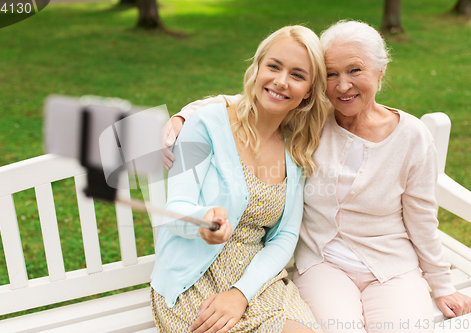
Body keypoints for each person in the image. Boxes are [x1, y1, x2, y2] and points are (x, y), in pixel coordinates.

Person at [162, 20, 471, 333]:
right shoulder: (311, 124)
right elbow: (250, 100)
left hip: (392, 267)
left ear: (380, 72)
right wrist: (185, 114)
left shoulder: (410, 137)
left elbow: (422, 217)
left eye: (355, 71)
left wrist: (442, 284)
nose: (343, 85)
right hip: (323, 263)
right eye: (332, 74)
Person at [151, 25, 330, 333]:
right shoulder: (205, 125)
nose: (281, 81)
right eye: (273, 66)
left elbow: (284, 237)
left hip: (257, 278)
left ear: (310, 90)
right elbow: (175, 211)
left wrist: (241, 293)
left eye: (298, 75)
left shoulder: (296, 147)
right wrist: (202, 221)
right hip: (194, 276)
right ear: (257, 68)